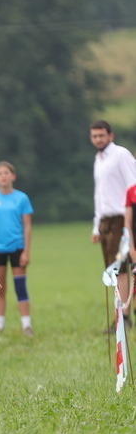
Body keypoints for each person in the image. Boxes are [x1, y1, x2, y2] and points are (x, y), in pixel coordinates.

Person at [90, 120, 136, 329]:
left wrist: (130, 221)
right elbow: (99, 195)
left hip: (122, 217)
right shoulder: (98, 159)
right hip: (106, 221)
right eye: (95, 136)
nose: (98, 139)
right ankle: (122, 315)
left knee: (122, 267)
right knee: (113, 269)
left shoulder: (121, 155)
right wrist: (96, 225)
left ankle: (124, 316)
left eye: (102, 135)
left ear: (111, 135)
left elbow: (133, 185)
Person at [0, 161, 34, 336]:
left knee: (20, 286)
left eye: (6, 173)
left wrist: (26, 251)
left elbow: (27, 225)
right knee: (0, 288)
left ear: (13, 176)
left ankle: (26, 325)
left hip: (17, 247)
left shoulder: (22, 198)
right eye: (0, 173)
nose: (3, 176)